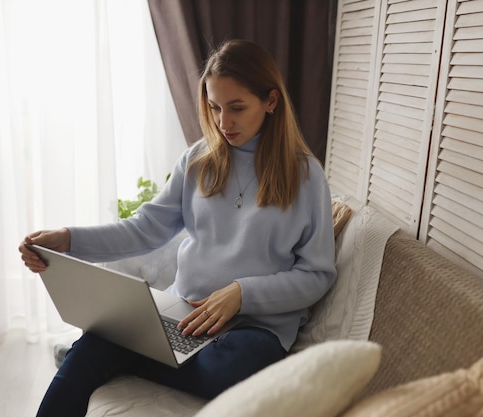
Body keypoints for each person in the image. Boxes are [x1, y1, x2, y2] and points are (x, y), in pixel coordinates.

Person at [19, 39, 337, 417]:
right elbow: (146, 229)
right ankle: (122, 350)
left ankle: (130, 355)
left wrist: (241, 293)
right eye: (215, 107)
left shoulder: (305, 176)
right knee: (93, 344)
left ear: (270, 101)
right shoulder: (198, 159)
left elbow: (317, 275)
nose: (224, 122)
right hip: (182, 313)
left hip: (253, 328)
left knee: (235, 366)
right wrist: (69, 240)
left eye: (237, 108)